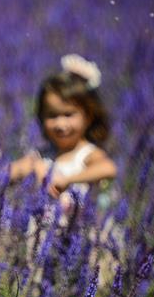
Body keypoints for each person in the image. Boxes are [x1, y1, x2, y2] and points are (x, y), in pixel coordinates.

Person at [9, 54, 117, 217]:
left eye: (68, 115)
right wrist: (33, 168)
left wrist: (69, 179)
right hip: (42, 234)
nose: (60, 124)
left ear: (88, 116)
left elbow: (108, 168)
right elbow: (5, 174)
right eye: (52, 116)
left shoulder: (86, 154)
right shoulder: (42, 156)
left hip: (82, 233)